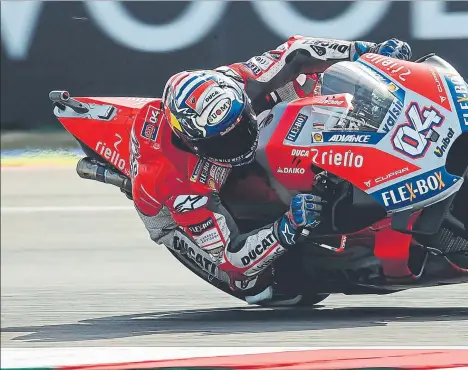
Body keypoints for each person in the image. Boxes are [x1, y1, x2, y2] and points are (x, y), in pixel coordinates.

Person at [129, 35, 412, 304]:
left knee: (301, 83)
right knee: (258, 285)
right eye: (225, 141)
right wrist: (287, 226)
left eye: (240, 126)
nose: (239, 141)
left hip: (228, 152)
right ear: (193, 143)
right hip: (176, 211)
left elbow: (296, 51)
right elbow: (232, 256)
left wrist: (364, 51)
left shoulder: (237, 81)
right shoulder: (174, 182)